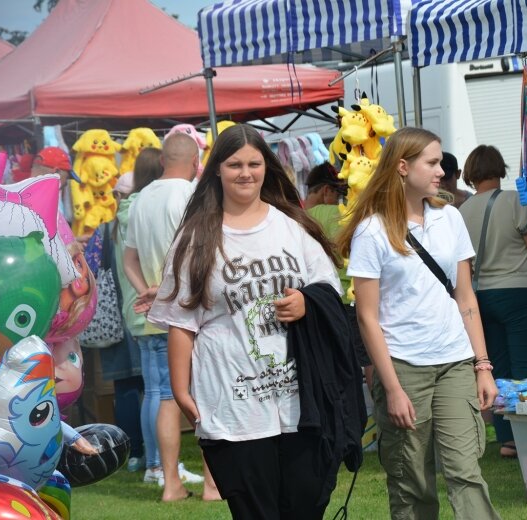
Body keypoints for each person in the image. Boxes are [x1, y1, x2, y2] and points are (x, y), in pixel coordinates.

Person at [147, 124, 346, 520]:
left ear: (266, 168)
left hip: (299, 404)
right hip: (234, 408)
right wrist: (180, 389)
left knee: (306, 507)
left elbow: (329, 287)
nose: (245, 172)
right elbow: (181, 325)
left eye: (254, 163)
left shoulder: (292, 225)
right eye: (234, 163)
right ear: (216, 169)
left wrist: (307, 302)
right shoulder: (196, 239)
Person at [337, 127, 501, 520]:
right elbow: (367, 317)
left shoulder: (450, 219)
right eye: (432, 162)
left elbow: (465, 298)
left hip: (455, 363)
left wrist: (482, 365)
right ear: (403, 167)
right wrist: (391, 387)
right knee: (413, 483)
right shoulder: (372, 231)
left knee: (466, 472)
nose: (442, 170)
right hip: (404, 369)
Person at [122, 133, 215, 501]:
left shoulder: (141, 197)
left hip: (154, 313)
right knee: (205, 395)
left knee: (161, 396)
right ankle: (211, 483)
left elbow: (129, 259)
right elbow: (200, 252)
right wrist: (163, 290)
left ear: (162, 160)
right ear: (196, 162)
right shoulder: (190, 194)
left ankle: (168, 478)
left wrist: (150, 289)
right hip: (189, 311)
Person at [458, 145, 527, 458]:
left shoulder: (461, 212)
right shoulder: (517, 202)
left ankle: (507, 439)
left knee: (497, 366)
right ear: (499, 169)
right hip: (519, 293)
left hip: (479, 296)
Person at [97, 167, 152, 473]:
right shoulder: (144, 223)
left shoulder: (105, 230)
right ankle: (154, 455)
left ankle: (132, 453)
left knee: (126, 388)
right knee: (154, 387)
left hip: (113, 319)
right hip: (145, 311)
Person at [304, 162, 373, 381]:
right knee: (366, 358)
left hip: (317, 300)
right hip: (350, 294)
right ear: (327, 191)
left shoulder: (297, 217)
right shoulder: (342, 213)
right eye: (338, 193)